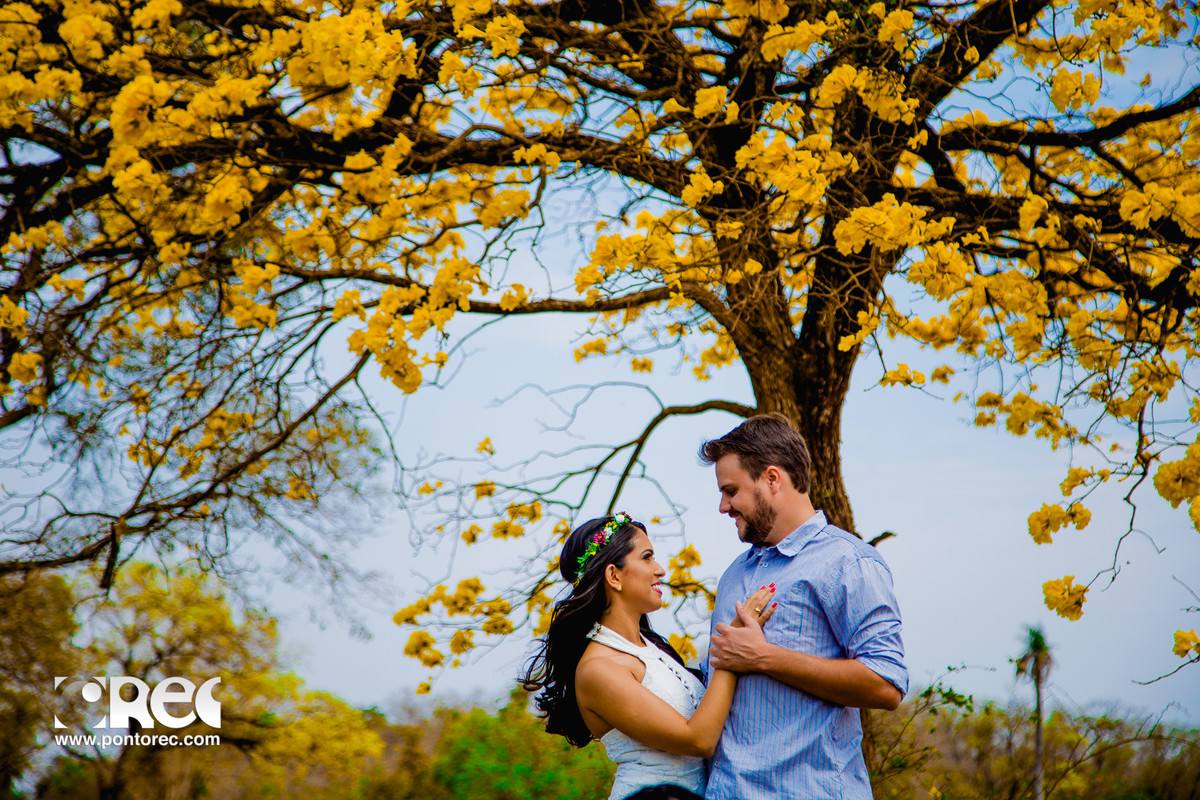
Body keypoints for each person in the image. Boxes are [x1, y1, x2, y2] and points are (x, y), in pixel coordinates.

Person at [698, 413, 908, 800]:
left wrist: (764, 657)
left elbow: (887, 684)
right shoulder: (733, 575)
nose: (723, 507)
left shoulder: (849, 563)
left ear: (772, 479)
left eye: (731, 490)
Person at [521, 513, 776, 800]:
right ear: (614, 576)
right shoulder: (598, 669)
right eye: (647, 558)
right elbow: (698, 740)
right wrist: (733, 648)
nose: (660, 570)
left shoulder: (651, 650)